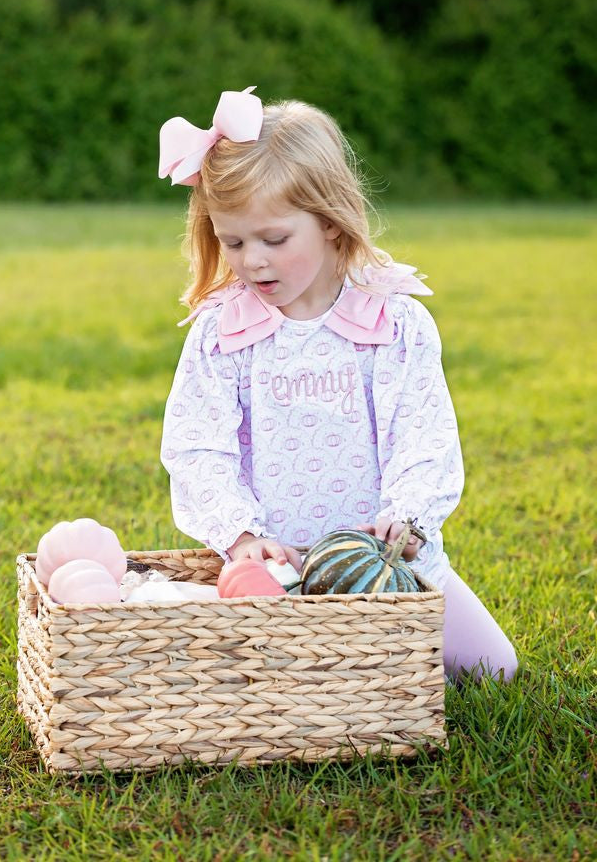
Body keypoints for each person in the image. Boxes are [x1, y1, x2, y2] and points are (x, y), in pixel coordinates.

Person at [158, 86, 517, 683]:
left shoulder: (391, 323)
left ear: (329, 223)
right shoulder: (224, 334)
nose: (252, 262)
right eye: (233, 241)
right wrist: (242, 535)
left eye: (274, 239)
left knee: (492, 670)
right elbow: (198, 447)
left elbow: (423, 433)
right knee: (289, 692)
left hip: (387, 564)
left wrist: (407, 517)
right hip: (276, 572)